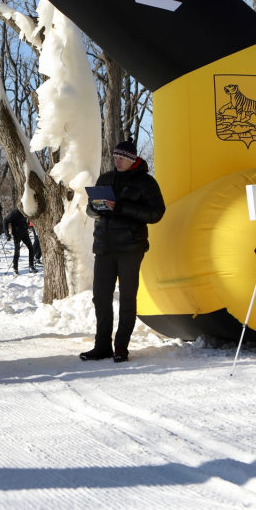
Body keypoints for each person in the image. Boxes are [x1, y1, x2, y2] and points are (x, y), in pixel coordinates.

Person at [82, 139, 165, 363]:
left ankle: (121, 346)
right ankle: (102, 346)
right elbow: (90, 210)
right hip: (104, 247)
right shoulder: (106, 179)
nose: (116, 161)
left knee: (127, 298)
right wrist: (95, 208)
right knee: (100, 298)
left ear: (132, 160)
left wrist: (120, 207)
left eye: (121, 158)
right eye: (115, 157)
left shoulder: (146, 183)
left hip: (130, 247)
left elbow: (157, 213)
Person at [4, 206, 37, 274]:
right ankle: (15, 269)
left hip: (25, 233)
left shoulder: (25, 210)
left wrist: (27, 225)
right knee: (17, 251)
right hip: (17, 234)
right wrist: (7, 233)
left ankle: (31, 266)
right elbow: (5, 220)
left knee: (31, 249)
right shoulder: (15, 211)